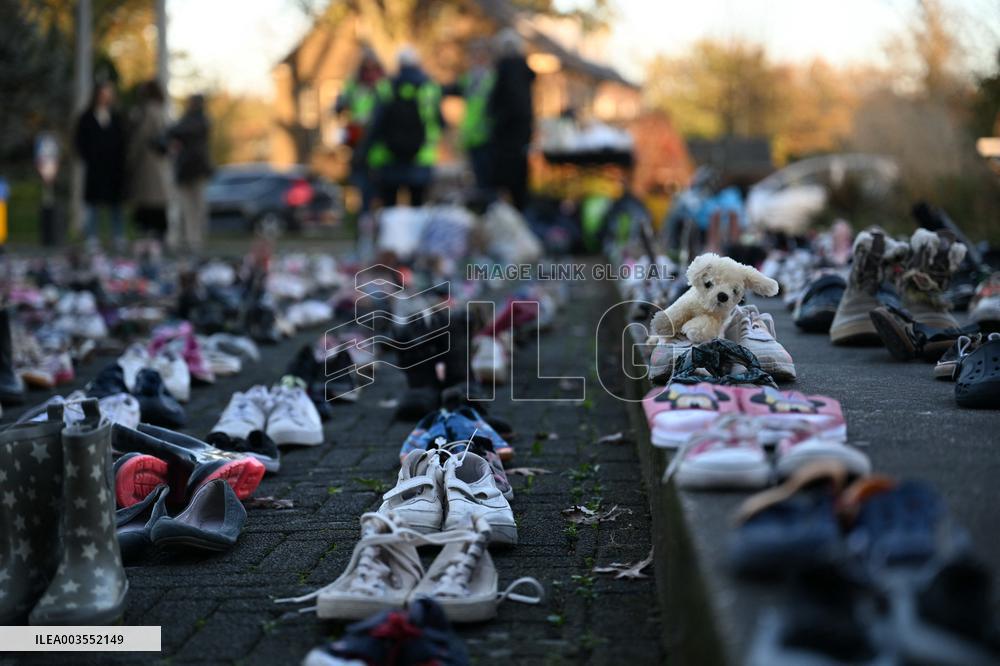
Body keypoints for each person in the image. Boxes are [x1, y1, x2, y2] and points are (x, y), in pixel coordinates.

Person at [361, 46, 442, 207]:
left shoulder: (385, 87)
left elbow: (376, 124)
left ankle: (393, 232)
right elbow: (438, 122)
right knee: (417, 206)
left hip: (389, 157)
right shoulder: (430, 87)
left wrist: (365, 152)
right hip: (422, 156)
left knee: (390, 206)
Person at [75, 81, 127, 250]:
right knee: (93, 204)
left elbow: (123, 141)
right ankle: (92, 236)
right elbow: (80, 142)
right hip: (95, 168)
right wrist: (89, 157)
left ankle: (118, 236)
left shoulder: (116, 116)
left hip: (114, 168)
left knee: (116, 205)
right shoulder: (87, 117)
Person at [487, 29, 535, 211]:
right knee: (519, 189)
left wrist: (498, 123)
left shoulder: (507, 69)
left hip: (507, 141)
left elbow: (511, 106)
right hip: (519, 139)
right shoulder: (522, 70)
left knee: (504, 189)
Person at [336, 48, 385, 213]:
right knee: (362, 182)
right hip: (359, 139)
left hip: (379, 141)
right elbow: (340, 104)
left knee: (380, 182)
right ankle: (364, 215)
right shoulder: (353, 85)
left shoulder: (384, 84)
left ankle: (376, 214)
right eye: (366, 67)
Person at [445, 41, 495, 190]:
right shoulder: (468, 78)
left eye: (479, 57)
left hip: (486, 136)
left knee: (485, 179)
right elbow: (452, 89)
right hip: (471, 136)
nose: (475, 61)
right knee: (475, 178)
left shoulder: (492, 79)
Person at [127, 80, 171, 247]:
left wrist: (131, 155)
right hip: (158, 162)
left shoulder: (147, 111)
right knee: (158, 201)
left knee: (147, 201)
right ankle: (159, 234)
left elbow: (141, 136)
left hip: (147, 162)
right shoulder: (160, 110)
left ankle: (148, 234)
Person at [168, 94, 212, 253]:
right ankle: (184, 239)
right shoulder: (189, 120)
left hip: (195, 170)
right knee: (185, 207)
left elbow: (178, 130)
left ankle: (194, 240)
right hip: (186, 170)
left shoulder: (200, 121)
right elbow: (172, 131)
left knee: (196, 208)